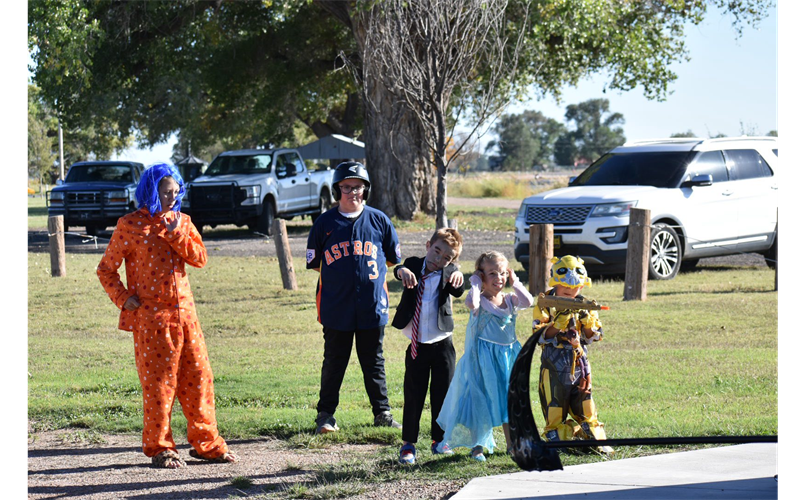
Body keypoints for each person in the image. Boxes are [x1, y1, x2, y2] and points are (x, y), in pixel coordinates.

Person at [96, 163, 237, 469]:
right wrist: (123, 298)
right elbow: (106, 269)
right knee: (159, 384)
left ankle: (207, 444)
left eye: (176, 192)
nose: (172, 198)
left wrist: (177, 236)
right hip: (153, 318)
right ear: (151, 191)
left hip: (187, 316)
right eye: (166, 192)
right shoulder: (130, 225)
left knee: (200, 378)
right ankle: (161, 448)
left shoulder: (182, 221)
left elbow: (199, 258)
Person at [306, 161, 403, 434]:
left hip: (372, 306)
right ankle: (325, 415)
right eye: (346, 187)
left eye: (358, 187)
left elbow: (392, 259)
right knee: (334, 362)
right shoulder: (324, 223)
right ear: (338, 189)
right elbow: (316, 264)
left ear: (366, 189)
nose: (352, 192)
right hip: (336, 306)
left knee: (374, 362)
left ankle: (382, 413)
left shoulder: (379, 220)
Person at [436, 251, 533, 461]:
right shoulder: (479, 299)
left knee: (509, 400)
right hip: (482, 360)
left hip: (507, 358)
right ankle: (477, 446)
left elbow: (528, 301)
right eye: (492, 274)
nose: (498, 278)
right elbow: (472, 304)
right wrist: (476, 284)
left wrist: (515, 281)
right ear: (481, 276)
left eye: (502, 273)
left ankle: (511, 444)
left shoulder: (509, 300)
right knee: (481, 399)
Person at [392, 228, 465, 465]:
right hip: (417, 344)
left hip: (442, 343)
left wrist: (458, 276)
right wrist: (402, 271)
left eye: (447, 257)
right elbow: (399, 268)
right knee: (414, 394)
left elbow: (458, 286)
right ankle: (408, 445)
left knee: (442, 394)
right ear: (428, 246)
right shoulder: (413, 265)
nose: (439, 259)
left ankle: (439, 440)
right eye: (437, 251)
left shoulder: (450, 271)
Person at [532, 255, 612, 454]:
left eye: (575, 290)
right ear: (555, 284)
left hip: (579, 365)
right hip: (553, 365)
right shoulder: (545, 303)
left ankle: (585, 434)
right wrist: (557, 324)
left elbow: (592, 336)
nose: (571, 293)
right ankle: (561, 437)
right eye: (565, 290)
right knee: (555, 411)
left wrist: (587, 322)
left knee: (587, 410)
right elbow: (539, 337)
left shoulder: (585, 304)